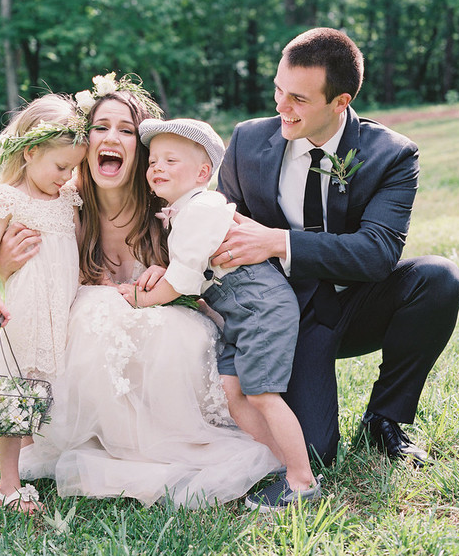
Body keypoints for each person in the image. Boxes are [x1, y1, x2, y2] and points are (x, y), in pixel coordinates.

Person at [0, 74, 279, 509]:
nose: (111, 137)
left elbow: (207, 270)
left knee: (174, 332)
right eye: (100, 127)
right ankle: (99, 434)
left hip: (167, 324)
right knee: (92, 313)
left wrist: (169, 270)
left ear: (142, 149)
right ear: (84, 142)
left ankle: (160, 437)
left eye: (126, 130)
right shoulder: (63, 203)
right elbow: (26, 275)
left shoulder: (170, 202)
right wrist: (4, 263)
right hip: (89, 341)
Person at [210, 26, 459, 508]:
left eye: (298, 99)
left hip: (354, 303)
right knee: (313, 453)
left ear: (340, 101)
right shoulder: (246, 141)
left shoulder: (392, 154)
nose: (282, 106)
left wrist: (278, 241)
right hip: (280, 317)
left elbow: (377, 252)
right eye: (278, 90)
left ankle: (384, 420)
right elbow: (222, 229)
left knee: (440, 279)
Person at [119, 117, 322, 511]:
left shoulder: (203, 207)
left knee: (262, 394)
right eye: (153, 161)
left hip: (260, 306)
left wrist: (140, 299)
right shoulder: (184, 213)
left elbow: (182, 280)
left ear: (202, 173)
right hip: (239, 312)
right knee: (233, 392)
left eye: (170, 161)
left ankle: (302, 479)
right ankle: (278, 464)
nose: (157, 167)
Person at [0, 93, 88, 512]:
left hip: (64, 306)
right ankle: (9, 484)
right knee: (16, 391)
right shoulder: (6, 198)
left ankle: (47, 451)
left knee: (54, 384)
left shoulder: (68, 199)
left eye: (73, 168)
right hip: (27, 308)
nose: (67, 176)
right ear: (31, 151)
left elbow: (78, 251)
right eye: (61, 167)